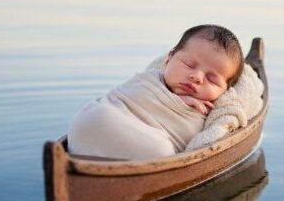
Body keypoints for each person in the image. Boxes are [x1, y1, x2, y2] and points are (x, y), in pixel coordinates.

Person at [67, 24, 244, 159]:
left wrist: (180, 106)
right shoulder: (150, 79)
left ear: (224, 91)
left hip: (145, 148)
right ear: (169, 59)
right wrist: (175, 99)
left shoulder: (209, 114)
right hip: (98, 123)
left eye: (212, 79)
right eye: (189, 65)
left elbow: (191, 141)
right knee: (100, 111)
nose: (197, 77)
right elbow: (121, 98)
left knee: (161, 150)